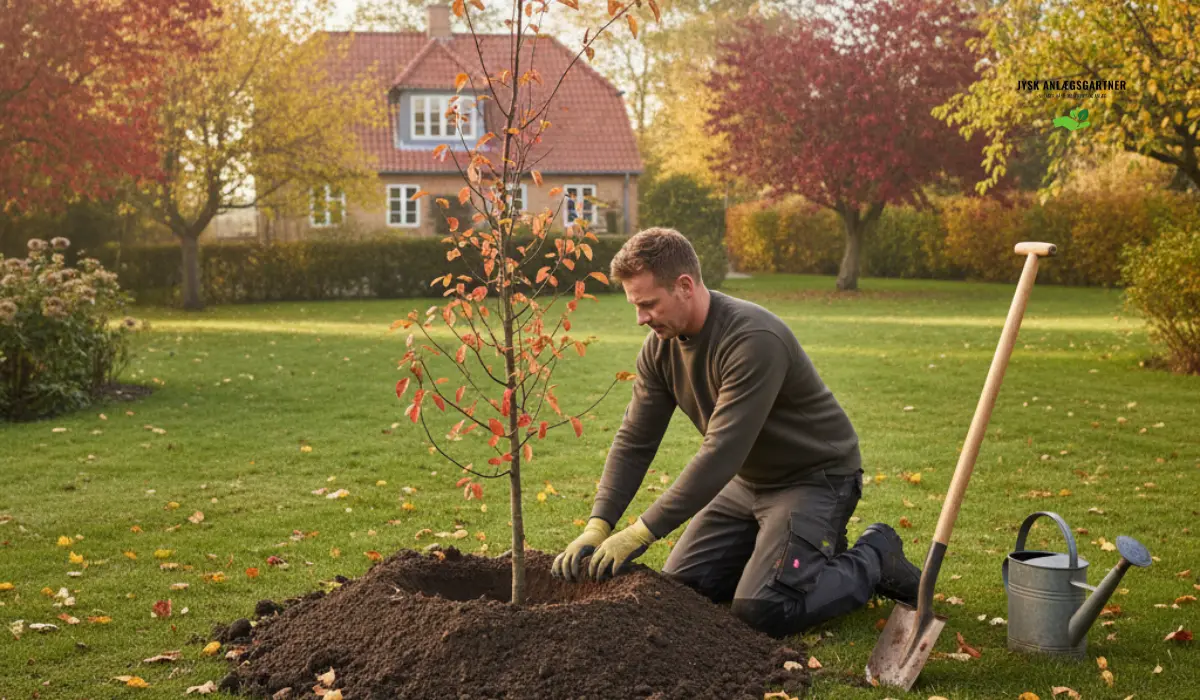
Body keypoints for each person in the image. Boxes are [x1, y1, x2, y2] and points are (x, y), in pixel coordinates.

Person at [550, 227, 922, 638]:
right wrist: (599, 524)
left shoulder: (752, 339)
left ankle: (875, 556)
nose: (641, 318)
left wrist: (641, 531)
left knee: (764, 609)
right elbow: (635, 441)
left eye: (648, 304)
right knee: (681, 591)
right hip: (747, 482)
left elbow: (722, 451)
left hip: (814, 479)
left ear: (684, 286)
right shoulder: (659, 349)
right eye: (635, 306)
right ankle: (785, 557)